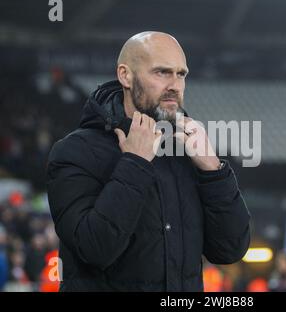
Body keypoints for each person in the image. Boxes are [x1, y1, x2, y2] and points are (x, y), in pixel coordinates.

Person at [46, 31, 251, 291]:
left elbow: (231, 250)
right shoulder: (74, 151)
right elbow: (94, 249)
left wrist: (213, 170)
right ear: (125, 75)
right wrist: (134, 163)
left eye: (181, 74)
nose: (175, 85)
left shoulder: (188, 152)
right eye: (162, 72)